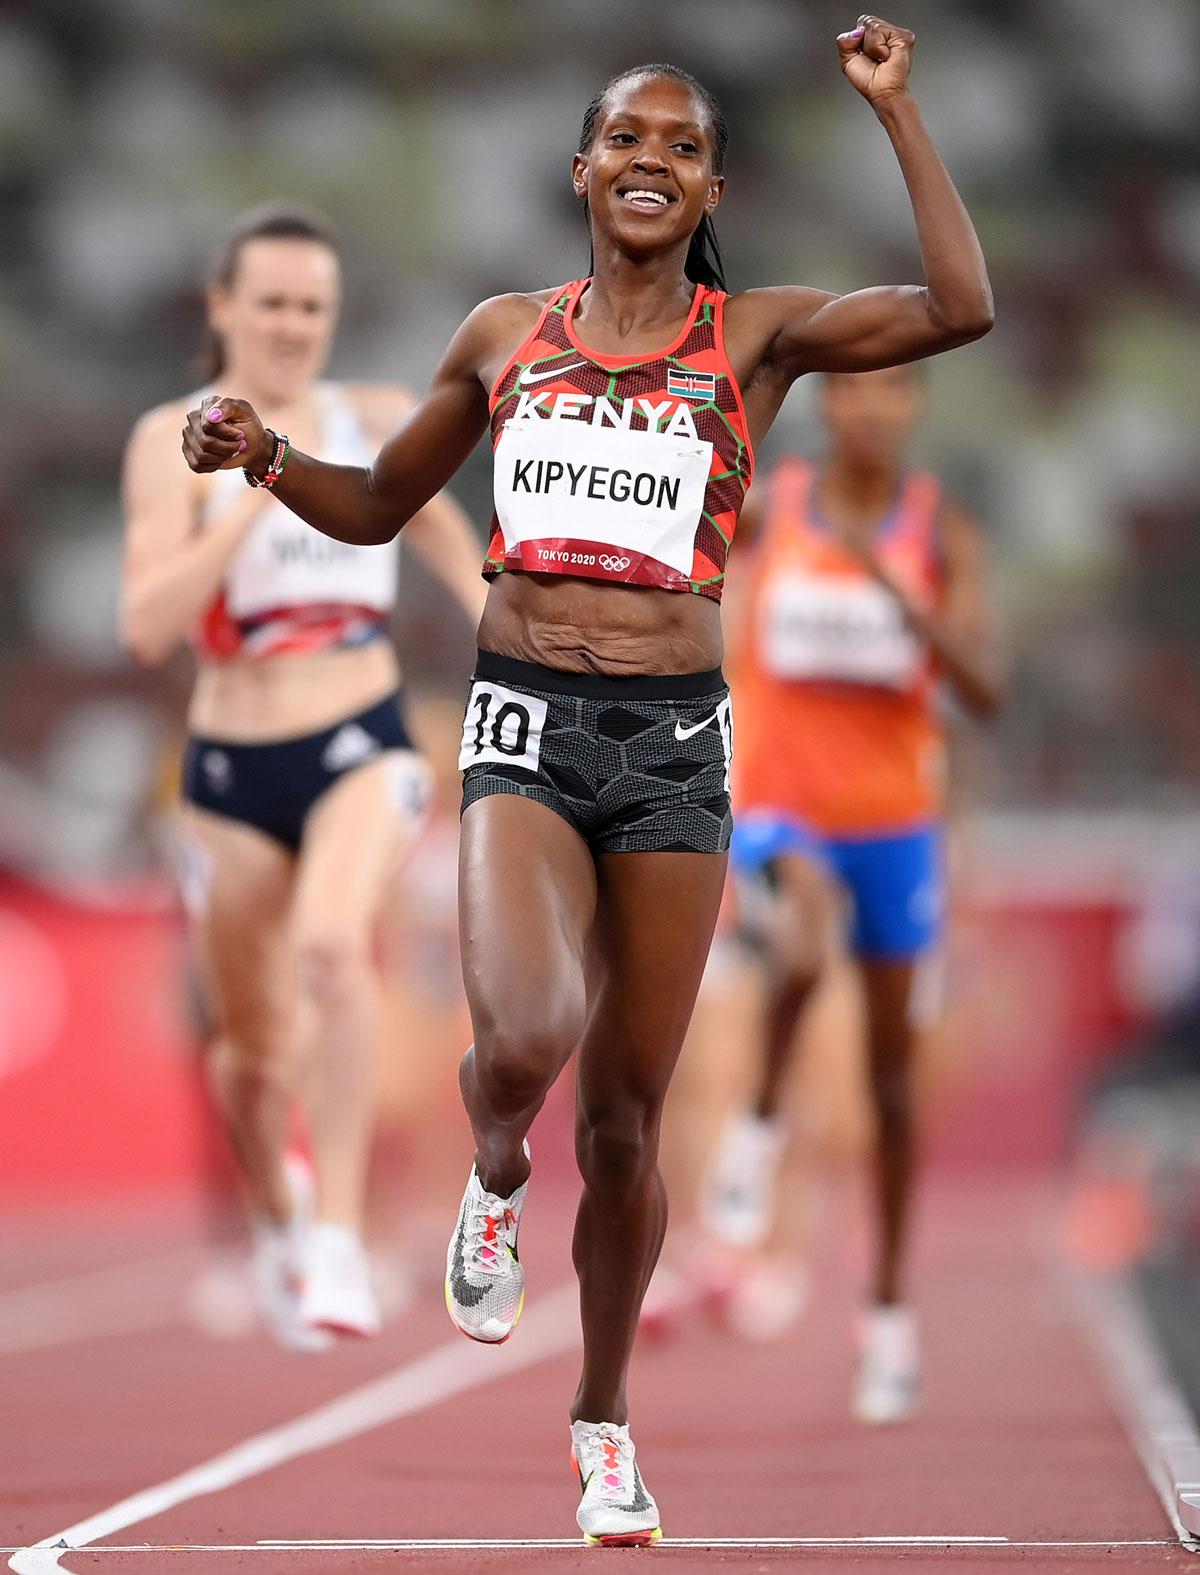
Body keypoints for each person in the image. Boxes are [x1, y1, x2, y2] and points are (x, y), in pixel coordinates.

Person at [183, 17, 993, 1543]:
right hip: (524, 720)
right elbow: (374, 505)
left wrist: (897, 112)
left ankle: (603, 1422)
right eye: (629, 136)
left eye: (685, 147)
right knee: (527, 1038)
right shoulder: (505, 335)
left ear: (710, 191)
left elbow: (961, 303)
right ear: (581, 169)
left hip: (677, 742)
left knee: (626, 1121)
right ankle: (495, 1164)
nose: (653, 161)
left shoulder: (755, 335)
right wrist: (267, 454)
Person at [122, 204, 485, 1351]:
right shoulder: (162, 441)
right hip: (228, 764)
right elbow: (145, 627)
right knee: (246, 1053)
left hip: (358, 736)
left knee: (335, 945)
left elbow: (464, 562)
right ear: (223, 307)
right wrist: (241, 486)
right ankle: (280, 1220)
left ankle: (336, 1230)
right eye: (271, 303)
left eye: (313, 307)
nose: (292, 326)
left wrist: (530, 657)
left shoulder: (372, 422)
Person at [704, 362, 1004, 1420]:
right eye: (854, 392)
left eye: (894, 392)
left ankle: (885, 1316)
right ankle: (757, 1123)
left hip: (897, 828)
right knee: (801, 938)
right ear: (827, 406)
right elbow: (690, 582)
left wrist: (907, 610)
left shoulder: (937, 530)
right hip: (783, 807)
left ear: (915, 406)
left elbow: (988, 690)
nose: (872, 410)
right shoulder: (775, 507)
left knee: (889, 1085)